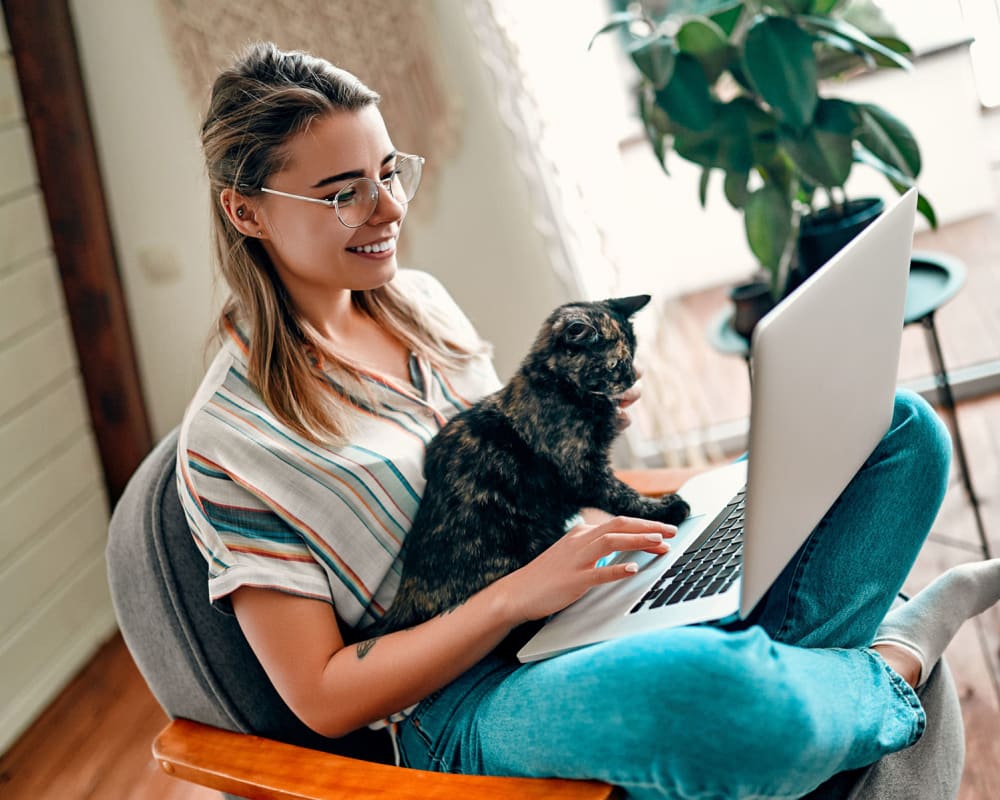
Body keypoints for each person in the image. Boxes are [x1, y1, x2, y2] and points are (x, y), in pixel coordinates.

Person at [177, 41, 1000, 799]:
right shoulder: (233, 442)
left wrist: (574, 420)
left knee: (899, 432)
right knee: (719, 697)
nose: (387, 209)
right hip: (466, 702)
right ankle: (888, 661)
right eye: (342, 193)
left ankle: (778, 696)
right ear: (247, 212)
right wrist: (512, 598)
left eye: (390, 172)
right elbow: (322, 696)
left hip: (580, 602)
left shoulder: (419, 304)